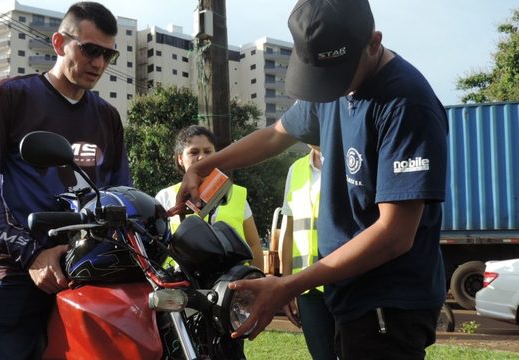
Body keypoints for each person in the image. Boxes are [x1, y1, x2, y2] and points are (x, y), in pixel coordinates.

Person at [176, 0, 448, 358]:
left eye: (336, 77)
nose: (327, 89)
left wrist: (289, 285)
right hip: (343, 290)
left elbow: (394, 234)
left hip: (387, 303)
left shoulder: (407, 105)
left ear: (373, 42)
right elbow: (276, 134)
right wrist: (209, 165)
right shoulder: (332, 81)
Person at [0, 2, 131, 359]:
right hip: (21, 267)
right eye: (90, 49)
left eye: (107, 55)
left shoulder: (107, 117)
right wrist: (31, 253)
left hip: (89, 265)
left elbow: (118, 194)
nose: (98, 63)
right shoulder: (11, 96)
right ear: (58, 42)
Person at [155, 125, 264, 270]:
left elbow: (254, 244)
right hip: (182, 285)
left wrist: (255, 282)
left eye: (208, 151)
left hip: (231, 286)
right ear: (180, 159)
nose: (202, 157)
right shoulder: (165, 197)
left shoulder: (235, 194)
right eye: (194, 152)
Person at [280, 145, 336, 360]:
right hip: (308, 287)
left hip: (346, 280)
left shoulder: (349, 161)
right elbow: (289, 230)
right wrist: (286, 284)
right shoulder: (296, 169)